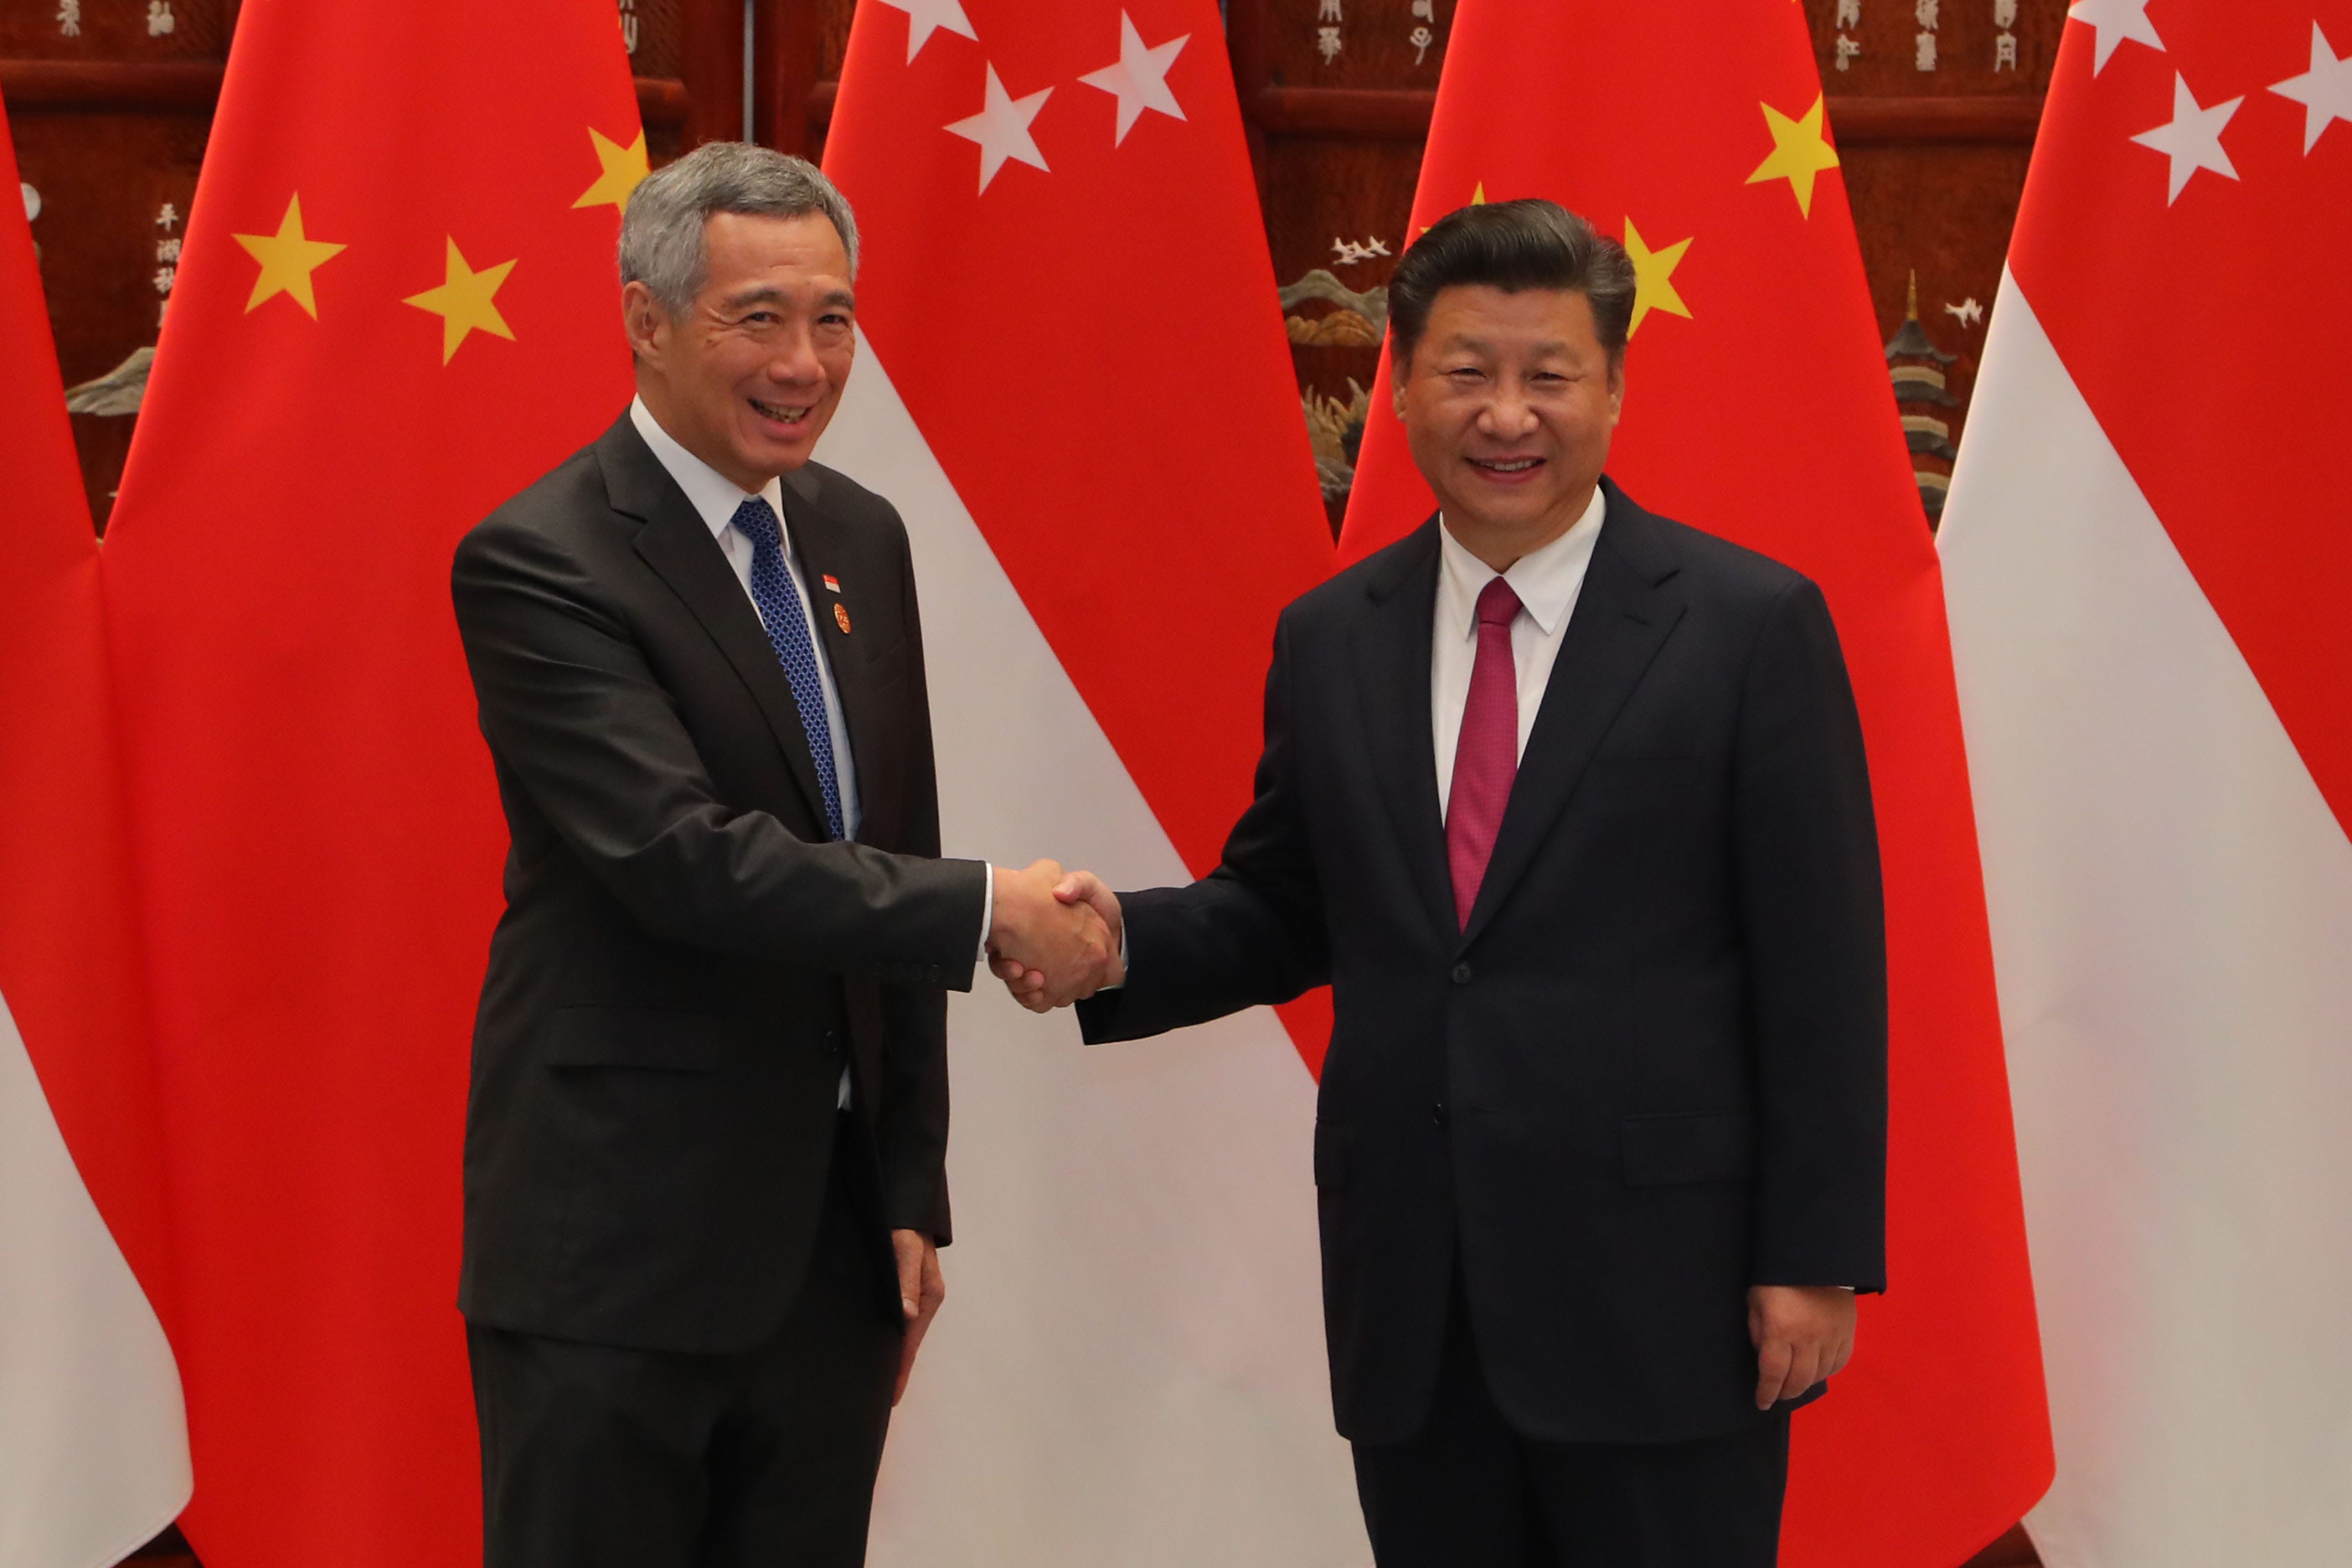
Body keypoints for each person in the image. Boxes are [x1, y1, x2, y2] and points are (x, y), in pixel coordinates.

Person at [1002, 199, 1888, 1567]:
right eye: (1467, 372)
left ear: (1615, 389)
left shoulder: (1749, 625)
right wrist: (1119, 945)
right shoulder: (1331, 636)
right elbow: (1289, 903)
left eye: (1550, 375)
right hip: (1418, 1303)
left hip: (1665, 1300)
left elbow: (1822, 969)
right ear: (1403, 388)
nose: (1507, 415)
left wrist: (1813, 1255)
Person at [449, 142, 1115, 1568]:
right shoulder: (542, 558)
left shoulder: (857, 534)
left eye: (833, 318)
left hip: (830, 1256)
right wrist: (990, 909)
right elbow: (685, 861)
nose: (804, 364)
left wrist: (910, 1187)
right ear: (646, 320)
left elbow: (894, 844)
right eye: (758, 318)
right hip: (617, 1255)